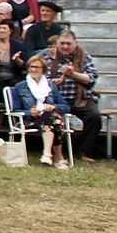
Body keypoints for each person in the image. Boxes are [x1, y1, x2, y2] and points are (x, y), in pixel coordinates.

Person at [45, 31, 104, 161]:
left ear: (75, 43)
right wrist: (59, 80)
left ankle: (83, 152)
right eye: (62, 43)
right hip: (57, 99)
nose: (65, 47)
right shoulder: (48, 57)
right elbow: (42, 81)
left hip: (80, 99)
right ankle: (53, 151)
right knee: (50, 117)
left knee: (94, 117)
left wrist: (73, 75)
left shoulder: (84, 56)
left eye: (68, 44)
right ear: (57, 43)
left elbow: (92, 78)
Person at [13, 56, 71, 169]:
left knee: (52, 118)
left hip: (49, 119)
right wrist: (29, 112)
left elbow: (66, 106)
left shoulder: (51, 86)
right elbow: (15, 110)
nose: (34, 70)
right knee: (57, 121)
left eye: (37, 67)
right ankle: (59, 158)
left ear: (43, 70)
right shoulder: (19, 87)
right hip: (31, 120)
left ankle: (47, 154)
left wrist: (53, 106)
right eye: (31, 67)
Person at [0, 18, 25, 105]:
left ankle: (12, 107)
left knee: (15, 83)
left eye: (4, 28)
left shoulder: (19, 46)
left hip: (13, 75)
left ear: (10, 31)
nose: (1, 30)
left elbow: (24, 66)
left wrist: (17, 60)